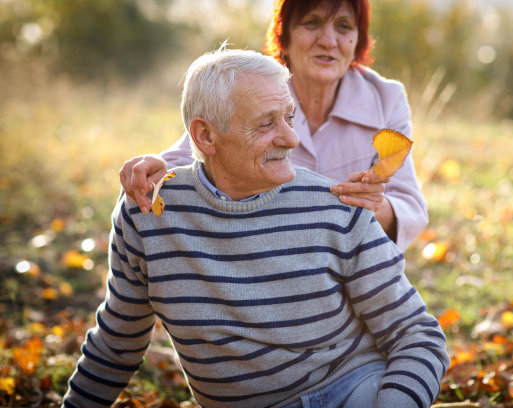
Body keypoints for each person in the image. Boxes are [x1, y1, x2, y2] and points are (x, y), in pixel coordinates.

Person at [63, 48, 448, 408]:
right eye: (267, 123)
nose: (291, 138)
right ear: (205, 136)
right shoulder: (148, 213)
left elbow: (418, 336)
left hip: (354, 390)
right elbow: (117, 343)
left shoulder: (336, 206)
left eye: (290, 117)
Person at [119, 0, 428, 252]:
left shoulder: (387, 98)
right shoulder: (258, 88)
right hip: (265, 262)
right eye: (311, 22)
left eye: (344, 26)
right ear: (285, 36)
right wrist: (155, 166)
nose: (329, 40)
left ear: (357, 40)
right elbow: (197, 150)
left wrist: (373, 205)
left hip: (351, 266)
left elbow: (408, 207)